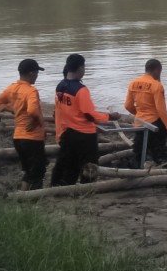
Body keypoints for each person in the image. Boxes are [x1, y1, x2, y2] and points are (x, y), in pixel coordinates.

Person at [50, 53, 119, 186]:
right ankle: (87, 188)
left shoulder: (61, 86)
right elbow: (89, 115)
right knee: (89, 164)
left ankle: (64, 185)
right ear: (81, 68)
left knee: (70, 162)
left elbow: (59, 111)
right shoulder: (81, 90)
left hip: (67, 131)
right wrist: (109, 116)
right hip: (84, 134)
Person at [0, 58, 48, 191]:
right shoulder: (31, 91)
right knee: (37, 170)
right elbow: (33, 110)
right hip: (32, 138)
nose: (37, 76)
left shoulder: (12, 88)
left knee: (29, 169)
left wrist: (12, 109)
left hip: (18, 137)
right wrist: (37, 122)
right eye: (36, 73)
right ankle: (30, 197)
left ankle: (29, 195)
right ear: (30, 73)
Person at [124, 58, 167, 166]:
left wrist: (139, 114)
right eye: (160, 72)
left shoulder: (133, 83)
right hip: (154, 123)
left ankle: (140, 164)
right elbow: (161, 110)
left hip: (140, 122)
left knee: (139, 150)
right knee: (159, 147)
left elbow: (127, 106)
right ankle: (159, 161)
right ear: (157, 70)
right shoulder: (157, 86)